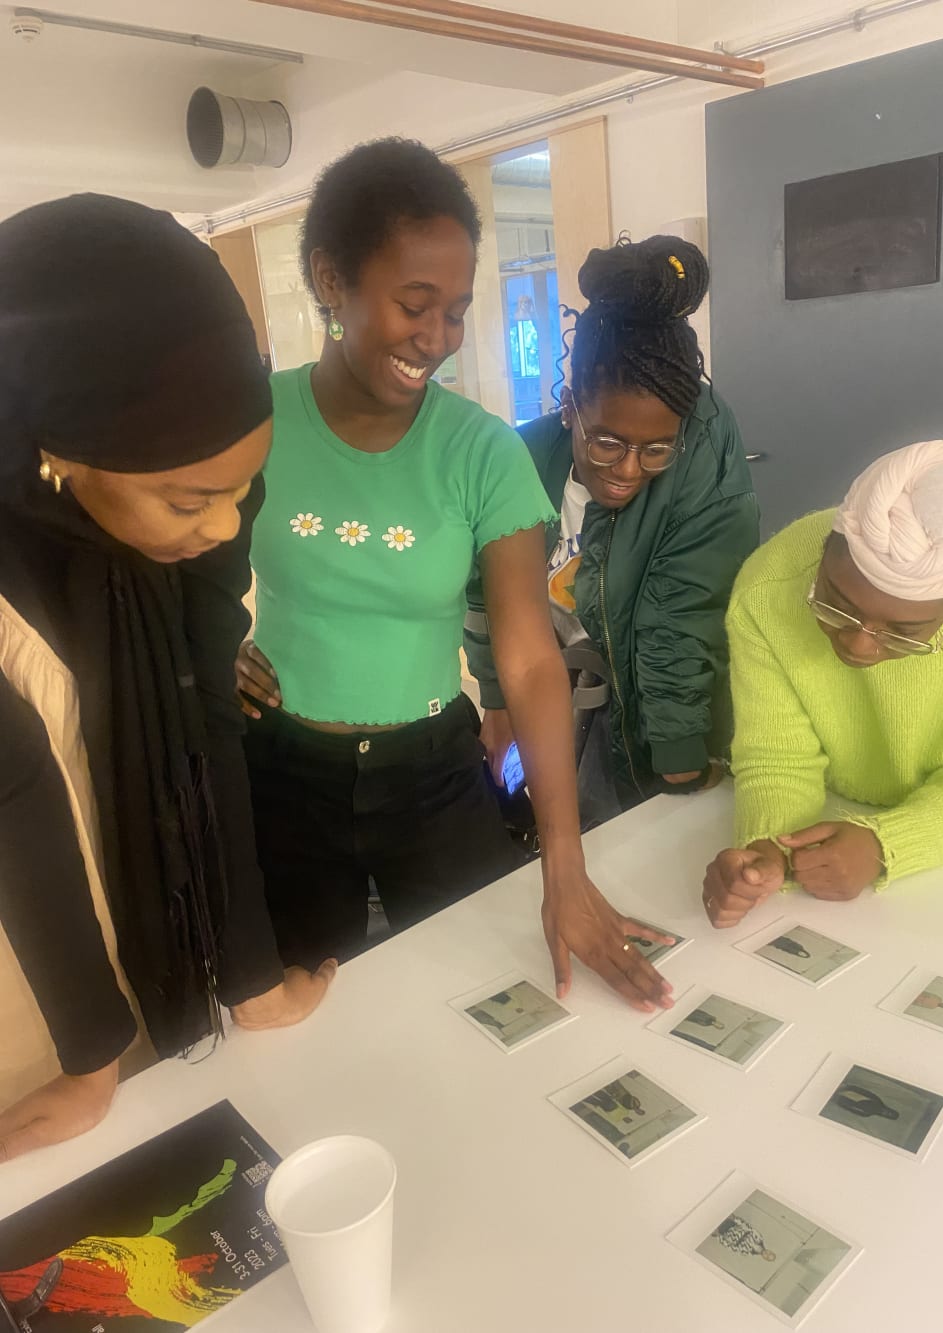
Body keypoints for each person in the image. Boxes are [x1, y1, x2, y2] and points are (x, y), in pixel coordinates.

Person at [234, 139, 673, 1012]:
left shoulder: (480, 450)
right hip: (281, 772)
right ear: (331, 278)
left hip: (430, 774)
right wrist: (210, 650)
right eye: (413, 303)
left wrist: (564, 860)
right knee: (293, 1019)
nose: (435, 338)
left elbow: (529, 654)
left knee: (497, 1000)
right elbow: (175, 563)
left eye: (457, 310)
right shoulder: (253, 420)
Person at [0, 195, 335, 1164]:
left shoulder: (187, 525)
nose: (228, 527)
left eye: (244, 489)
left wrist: (247, 976)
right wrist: (89, 1056)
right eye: (192, 500)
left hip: (137, 969)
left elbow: (202, 719)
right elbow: (15, 791)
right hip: (31, 995)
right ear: (55, 456)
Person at [465, 234, 759, 816]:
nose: (628, 471)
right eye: (606, 443)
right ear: (570, 407)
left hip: (676, 701)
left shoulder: (702, 442)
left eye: (655, 449)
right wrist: (497, 701)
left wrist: (678, 746)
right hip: (565, 701)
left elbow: (683, 606)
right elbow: (484, 594)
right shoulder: (517, 464)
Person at [703, 440, 943, 928]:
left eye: (905, 634)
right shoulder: (768, 586)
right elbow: (778, 757)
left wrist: (886, 845)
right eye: (836, 604)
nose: (859, 647)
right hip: (830, 821)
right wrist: (768, 852)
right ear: (822, 551)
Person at [832, 1086, 899, 1120]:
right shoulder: (877, 1101)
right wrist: (849, 1087)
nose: (886, 1113)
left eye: (888, 1115)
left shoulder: (867, 1114)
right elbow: (864, 1092)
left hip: (842, 1100)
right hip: (848, 1092)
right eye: (889, 1112)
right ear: (890, 1109)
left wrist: (838, 1103)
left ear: (885, 1116)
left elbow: (851, 1109)